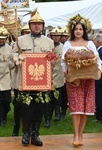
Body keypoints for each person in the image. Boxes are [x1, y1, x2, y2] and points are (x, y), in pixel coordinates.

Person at [12, 9, 54, 146]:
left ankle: (35, 134)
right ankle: (25, 133)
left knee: (39, 108)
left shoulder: (49, 42)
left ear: (43, 26)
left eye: (39, 24)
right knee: (26, 109)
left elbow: (53, 60)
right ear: (29, 26)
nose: (37, 26)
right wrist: (17, 58)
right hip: (24, 83)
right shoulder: (20, 40)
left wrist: (52, 59)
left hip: (42, 83)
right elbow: (12, 57)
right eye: (34, 23)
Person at [61, 14, 101, 147]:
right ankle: (76, 134)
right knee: (76, 107)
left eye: (80, 29)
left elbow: (97, 59)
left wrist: (99, 71)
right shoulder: (67, 43)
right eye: (76, 29)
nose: (78, 31)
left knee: (85, 107)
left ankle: (81, 134)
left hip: (88, 79)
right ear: (72, 30)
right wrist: (66, 74)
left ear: (84, 31)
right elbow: (63, 62)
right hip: (74, 80)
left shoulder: (90, 44)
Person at [11, 23, 31, 136]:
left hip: (34, 79)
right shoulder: (18, 42)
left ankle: (29, 129)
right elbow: (12, 54)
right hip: (21, 79)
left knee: (31, 106)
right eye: (25, 32)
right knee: (18, 105)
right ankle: (16, 126)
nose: (27, 34)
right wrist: (16, 58)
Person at [44, 26, 64, 128]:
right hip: (47, 77)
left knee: (57, 98)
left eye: (58, 36)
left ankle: (57, 113)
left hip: (58, 77)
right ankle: (47, 119)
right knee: (47, 99)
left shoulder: (63, 47)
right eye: (54, 35)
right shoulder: (47, 46)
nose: (56, 37)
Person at [93, 33, 102, 123]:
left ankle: (99, 117)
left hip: (99, 79)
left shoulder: (100, 52)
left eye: (95, 40)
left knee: (99, 98)